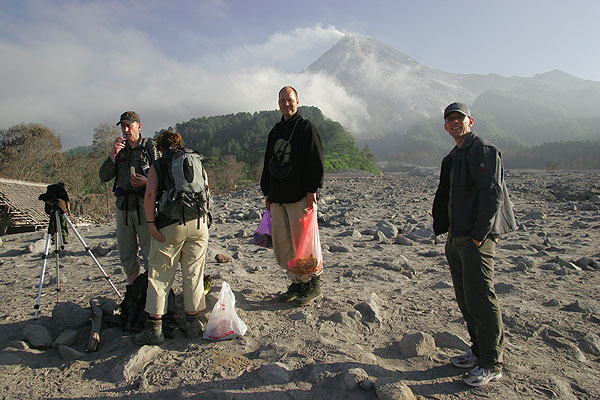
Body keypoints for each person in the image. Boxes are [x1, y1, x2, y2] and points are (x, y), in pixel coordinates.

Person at [432, 102, 517, 387]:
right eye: (450, 120)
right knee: (465, 296)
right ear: (445, 126)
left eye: (460, 118)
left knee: (481, 296)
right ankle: (478, 350)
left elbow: (492, 194)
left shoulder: (484, 150)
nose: (455, 123)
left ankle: (492, 362)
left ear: (471, 121)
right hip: (457, 236)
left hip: (476, 238)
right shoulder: (455, 155)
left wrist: (479, 234)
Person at [134, 130, 210, 345]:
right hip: (199, 224)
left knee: (160, 275)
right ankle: (194, 323)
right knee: (194, 273)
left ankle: (155, 328)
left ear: (160, 147)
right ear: (179, 143)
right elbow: (206, 187)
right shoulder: (196, 159)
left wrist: (150, 224)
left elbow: (150, 194)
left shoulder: (159, 164)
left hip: (170, 225)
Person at [260, 86, 325, 306]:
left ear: (298, 101)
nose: (285, 104)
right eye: (282, 100)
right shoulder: (275, 131)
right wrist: (267, 192)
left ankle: (313, 284)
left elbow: (315, 160)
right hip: (278, 197)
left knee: (305, 243)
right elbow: (269, 162)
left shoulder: (306, 128)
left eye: (289, 100)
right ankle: (297, 283)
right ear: (278, 103)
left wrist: (312, 190)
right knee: (284, 244)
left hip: (299, 196)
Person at [99, 111, 158, 329]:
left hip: (144, 205)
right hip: (123, 205)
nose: (125, 130)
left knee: (149, 252)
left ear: (138, 126)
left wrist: (147, 181)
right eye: (122, 126)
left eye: (128, 125)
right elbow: (104, 177)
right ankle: (133, 297)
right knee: (127, 253)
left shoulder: (149, 146)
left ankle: (151, 300)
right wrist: (113, 156)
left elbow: (161, 174)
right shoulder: (119, 150)